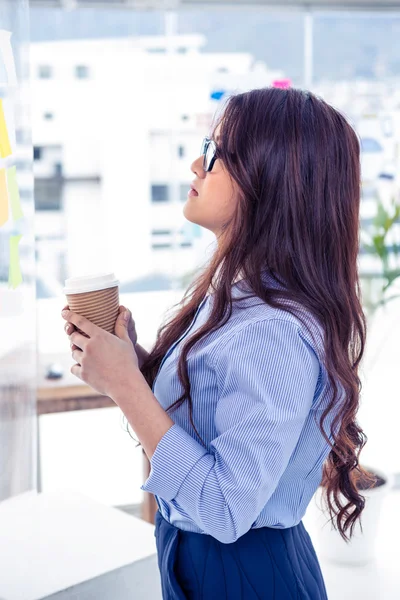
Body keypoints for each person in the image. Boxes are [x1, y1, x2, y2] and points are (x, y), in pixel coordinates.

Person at [62, 87, 373, 599]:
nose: (194, 165)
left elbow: (224, 508)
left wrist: (126, 388)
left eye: (214, 152)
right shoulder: (243, 296)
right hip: (200, 556)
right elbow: (207, 428)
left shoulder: (275, 329)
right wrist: (132, 366)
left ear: (268, 179)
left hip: (244, 571)